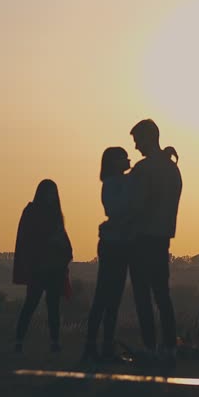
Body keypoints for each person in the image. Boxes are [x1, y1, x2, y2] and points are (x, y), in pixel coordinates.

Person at [126, 118, 183, 362]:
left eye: (138, 140)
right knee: (161, 292)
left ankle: (151, 346)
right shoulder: (172, 169)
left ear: (148, 138)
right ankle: (169, 346)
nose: (136, 146)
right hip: (161, 237)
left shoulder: (144, 169)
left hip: (142, 237)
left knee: (143, 294)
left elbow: (135, 204)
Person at [83, 147, 134, 361]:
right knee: (105, 297)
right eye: (122, 157)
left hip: (118, 243)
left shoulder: (118, 182)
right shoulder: (114, 183)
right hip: (114, 244)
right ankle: (94, 345)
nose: (127, 159)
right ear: (114, 162)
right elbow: (117, 208)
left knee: (111, 299)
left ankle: (103, 346)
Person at [12, 179, 73, 353]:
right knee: (31, 303)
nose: (51, 196)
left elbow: (62, 238)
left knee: (53, 306)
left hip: (54, 267)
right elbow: (26, 239)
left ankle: (54, 341)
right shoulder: (31, 211)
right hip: (38, 266)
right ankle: (19, 340)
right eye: (48, 192)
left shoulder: (55, 214)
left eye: (53, 193)